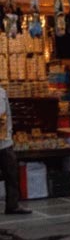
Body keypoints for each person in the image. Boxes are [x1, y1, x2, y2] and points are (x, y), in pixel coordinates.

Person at [0, 85, 31, 215]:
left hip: (4, 141)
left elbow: (6, 114)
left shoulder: (2, 92)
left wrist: (9, 133)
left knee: (11, 173)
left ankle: (12, 204)